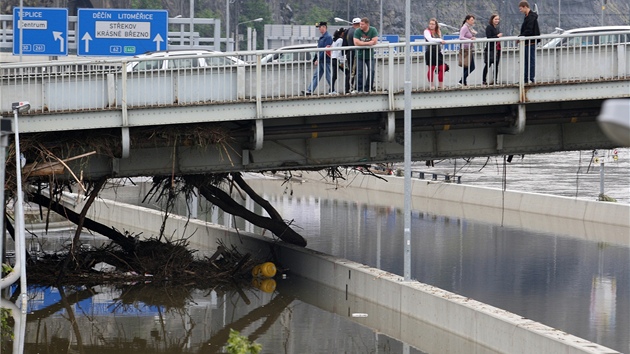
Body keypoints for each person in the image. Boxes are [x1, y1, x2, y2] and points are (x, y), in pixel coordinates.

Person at [303, 21, 333, 95]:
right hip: (321, 60)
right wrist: (316, 58)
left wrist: (318, 59)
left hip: (325, 60)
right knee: (316, 76)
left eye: (320, 27)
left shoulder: (328, 37)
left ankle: (333, 89)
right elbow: (319, 49)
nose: (319, 29)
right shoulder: (322, 37)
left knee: (328, 76)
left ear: (324, 27)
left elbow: (326, 50)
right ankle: (310, 90)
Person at [353, 17, 378, 93]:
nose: (360, 26)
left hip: (369, 55)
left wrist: (362, 43)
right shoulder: (357, 31)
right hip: (360, 55)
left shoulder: (373, 30)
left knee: (371, 71)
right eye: (360, 24)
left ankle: (368, 87)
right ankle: (359, 88)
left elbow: (374, 41)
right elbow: (356, 42)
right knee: (359, 72)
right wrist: (367, 43)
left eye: (362, 24)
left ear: (367, 24)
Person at [519, 1, 540, 83]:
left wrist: (520, 36)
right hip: (528, 42)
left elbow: (529, 30)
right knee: (527, 61)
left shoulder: (531, 17)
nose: (520, 11)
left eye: (521, 9)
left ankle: (530, 78)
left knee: (530, 60)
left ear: (525, 7)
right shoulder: (528, 16)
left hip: (530, 42)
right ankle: (526, 78)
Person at [424, 18, 448, 90]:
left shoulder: (438, 31)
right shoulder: (426, 31)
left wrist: (442, 50)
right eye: (430, 24)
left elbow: (439, 43)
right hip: (430, 51)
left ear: (436, 25)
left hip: (438, 51)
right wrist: (440, 40)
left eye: (433, 24)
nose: (431, 25)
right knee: (431, 68)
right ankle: (431, 85)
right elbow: (430, 39)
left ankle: (441, 85)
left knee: (442, 67)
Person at [482, 14, 503, 85]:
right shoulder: (489, 27)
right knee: (488, 64)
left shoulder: (496, 28)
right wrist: (497, 36)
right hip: (490, 49)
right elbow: (489, 37)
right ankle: (484, 80)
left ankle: (495, 80)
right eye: (495, 19)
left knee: (496, 65)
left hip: (497, 49)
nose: (497, 21)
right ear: (492, 20)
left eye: (498, 19)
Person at [458, 14, 477, 86]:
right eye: (471, 20)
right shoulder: (465, 27)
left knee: (466, 66)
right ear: (467, 20)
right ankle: (461, 80)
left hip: (469, 48)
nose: (473, 21)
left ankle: (464, 82)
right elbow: (461, 37)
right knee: (472, 67)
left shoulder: (469, 28)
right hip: (466, 49)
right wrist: (470, 39)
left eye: (473, 20)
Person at [344, 17, 361, 93]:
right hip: (353, 53)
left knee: (350, 71)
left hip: (348, 53)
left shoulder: (348, 31)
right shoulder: (355, 32)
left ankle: (348, 88)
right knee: (353, 71)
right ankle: (351, 88)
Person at [331, 28, 348, 94]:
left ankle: (331, 89)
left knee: (334, 75)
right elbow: (340, 51)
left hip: (333, 58)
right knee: (347, 72)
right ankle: (347, 88)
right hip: (338, 60)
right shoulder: (340, 40)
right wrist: (342, 61)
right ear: (342, 33)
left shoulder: (334, 40)